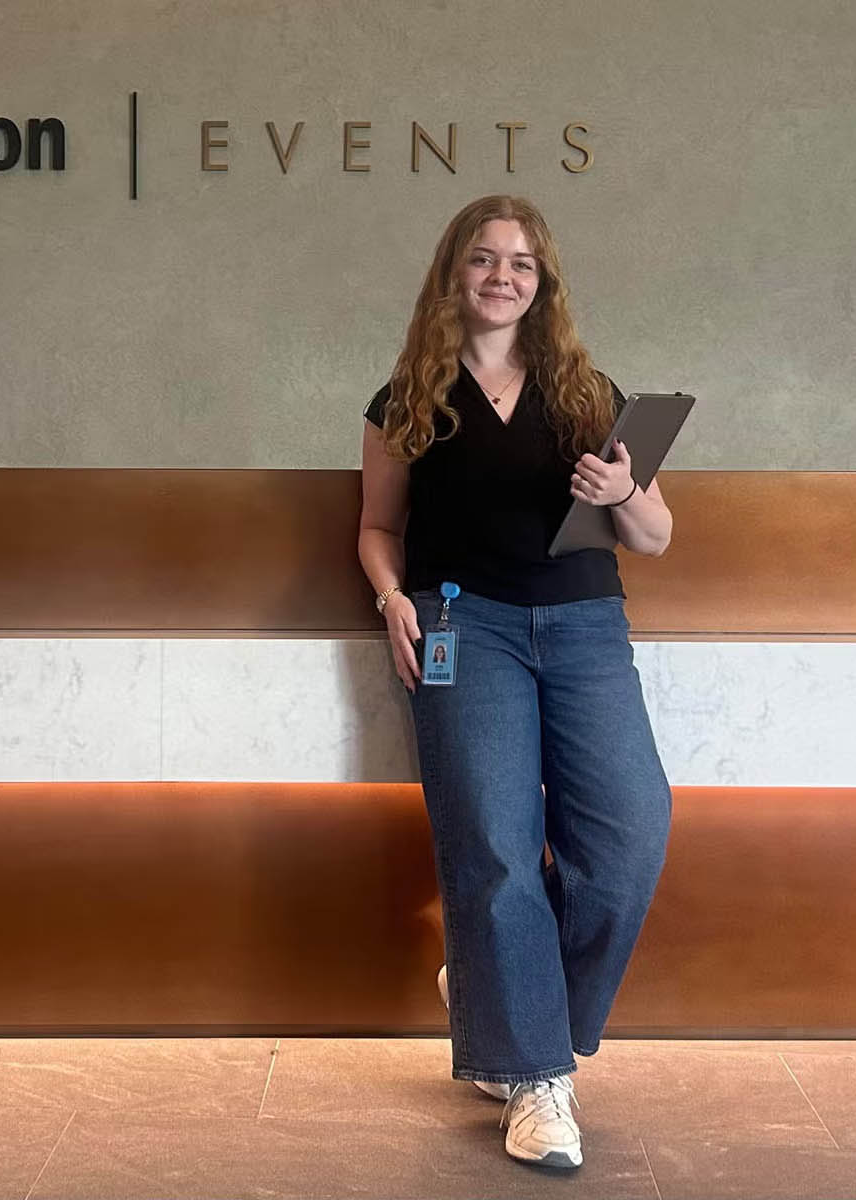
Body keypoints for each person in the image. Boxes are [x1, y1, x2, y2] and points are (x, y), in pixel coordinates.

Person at [356, 194, 674, 1170]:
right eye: (484, 258)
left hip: (585, 627)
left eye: (521, 263)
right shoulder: (405, 400)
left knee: (629, 838)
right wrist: (390, 597)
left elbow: (655, 535)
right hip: (460, 626)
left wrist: (623, 491)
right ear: (452, 272)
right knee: (492, 847)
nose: (502, 276)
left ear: (543, 284)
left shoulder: (587, 393)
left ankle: (494, 989)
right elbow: (377, 528)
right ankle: (536, 1081)